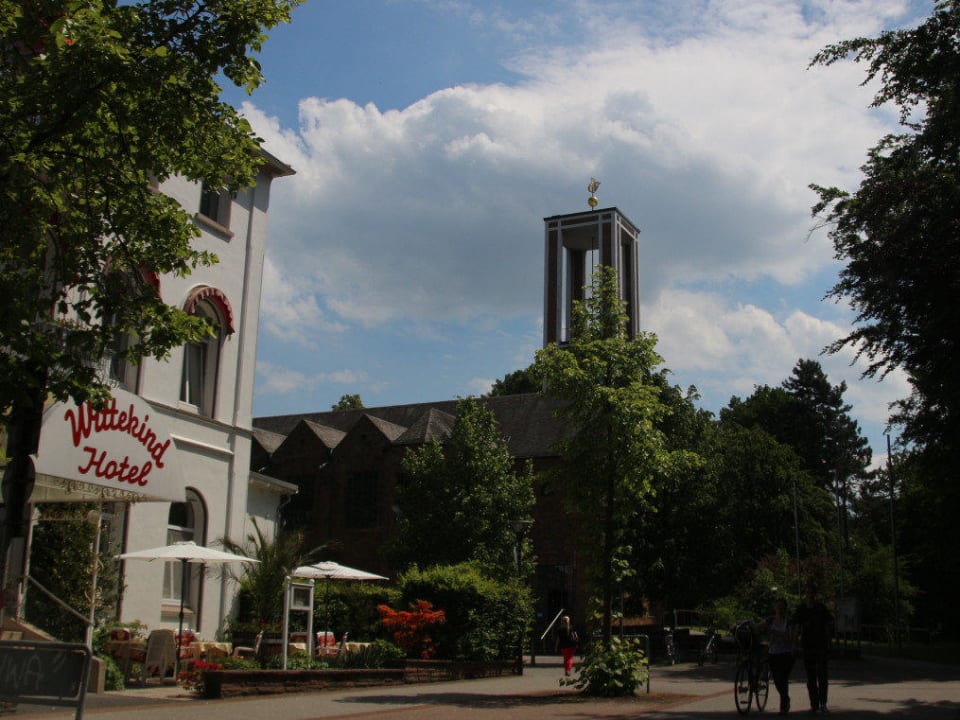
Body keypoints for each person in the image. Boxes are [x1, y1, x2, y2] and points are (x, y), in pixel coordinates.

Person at [794, 584, 834, 714]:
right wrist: (795, 642)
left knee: (822, 676)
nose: (810, 595)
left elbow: (827, 625)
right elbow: (797, 626)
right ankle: (814, 704)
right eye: (808, 592)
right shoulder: (802, 609)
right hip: (807, 645)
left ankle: (823, 703)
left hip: (821, 645)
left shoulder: (820, 608)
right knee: (811, 677)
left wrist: (829, 642)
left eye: (811, 593)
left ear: (814, 594)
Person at [758, 598, 796, 715]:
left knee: (782, 679)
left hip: (786, 654)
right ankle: (785, 699)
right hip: (773, 653)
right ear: (775, 607)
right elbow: (758, 626)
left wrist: (777, 633)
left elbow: (791, 638)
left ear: (785, 608)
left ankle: (783, 705)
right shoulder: (770, 620)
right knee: (777, 679)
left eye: (782, 607)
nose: (779, 609)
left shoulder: (789, 622)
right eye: (778, 606)